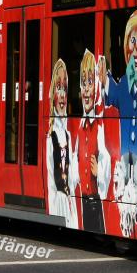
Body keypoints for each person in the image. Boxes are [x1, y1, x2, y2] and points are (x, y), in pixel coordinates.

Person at [100, 9, 137, 237]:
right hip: (125, 155)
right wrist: (104, 74)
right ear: (126, 49)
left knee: (135, 180)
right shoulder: (121, 85)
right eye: (133, 41)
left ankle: (135, 211)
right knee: (126, 179)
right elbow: (110, 94)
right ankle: (129, 215)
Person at [74, 50, 111, 233]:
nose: (86, 89)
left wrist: (99, 171)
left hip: (96, 205)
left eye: (90, 82)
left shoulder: (100, 126)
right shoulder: (80, 127)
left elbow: (106, 157)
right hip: (84, 204)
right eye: (83, 82)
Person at [46, 58, 78, 228]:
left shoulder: (69, 134)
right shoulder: (50, 137)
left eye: (65, 88)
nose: (63, 94)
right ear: (53, 92)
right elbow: (50, 178)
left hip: (68, 204)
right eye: (59, 87)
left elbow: (73, 178)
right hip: (58, 203)